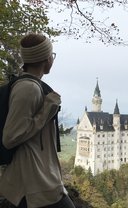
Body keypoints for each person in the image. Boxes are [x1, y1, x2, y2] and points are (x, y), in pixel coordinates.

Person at [0, 33, 76, 208]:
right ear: (45, 59)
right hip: (35, 180)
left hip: (38, 177)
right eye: (51, 55)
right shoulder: (29, 89)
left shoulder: (30, 85)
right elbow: (10, 137)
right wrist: (46, 111)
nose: (52, 59)